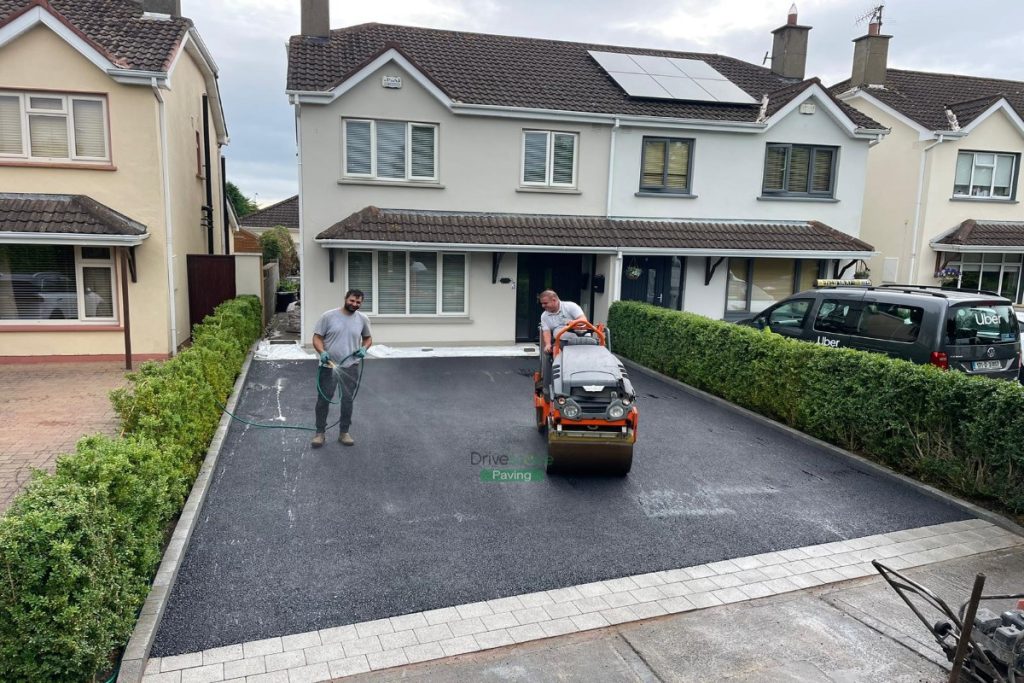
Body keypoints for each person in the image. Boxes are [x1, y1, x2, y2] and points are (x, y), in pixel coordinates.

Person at [311, 289, 372, 447]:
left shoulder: (363, 319)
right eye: (352, 300)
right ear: (346, 298)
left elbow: (368, 338)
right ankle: (320, 433)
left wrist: (365, 348)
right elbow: (317, 337)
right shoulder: (328, 316)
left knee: (347, 400)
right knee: (323, 400)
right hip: (328, 365)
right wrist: (322, 352)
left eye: (358, 302)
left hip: (350, 366)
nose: (354, 304)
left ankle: (344, 432)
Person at [538, 289, 588, 393]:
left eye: (545, 303)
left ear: (554, 300)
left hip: (582, 340)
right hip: (561, 343)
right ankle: (552, 386)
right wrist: (547, 344)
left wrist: (574, 323)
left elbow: (584, 321)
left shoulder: (570, 306)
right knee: (553, 354)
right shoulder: (544, 316)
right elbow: (546, 331)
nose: (543, 306)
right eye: (542, 303)